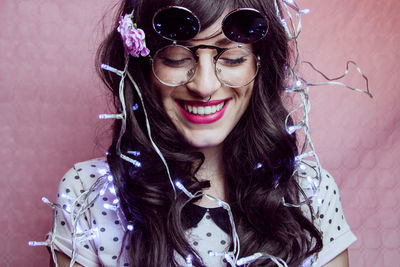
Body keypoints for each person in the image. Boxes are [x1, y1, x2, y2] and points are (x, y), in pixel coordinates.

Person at [46, 0, 357, 266]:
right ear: (144, 66)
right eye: (177, 58)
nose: (205, 86)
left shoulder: (310, 193)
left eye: (233, 58)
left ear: (259, 66)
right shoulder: (88, 194)